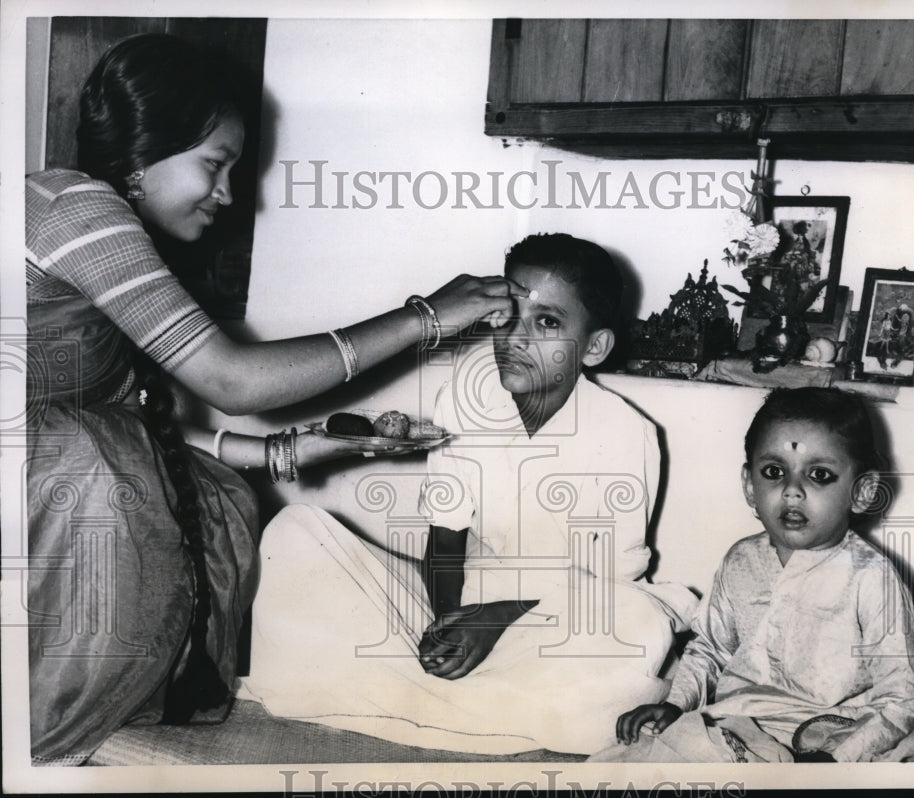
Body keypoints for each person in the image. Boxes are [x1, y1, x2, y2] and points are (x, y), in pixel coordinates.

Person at [26, 32, 523, 764]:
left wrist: (294, 450)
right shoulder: (76, 206)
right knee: (104, 482)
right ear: (144, 151)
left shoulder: (116, 234)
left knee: (220, 494)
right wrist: (426, 317)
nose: (229, 195)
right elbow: (231, 382)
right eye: (215, 165)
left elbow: (139, 430)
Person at [239, 233, 698, 754]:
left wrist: (498, 619)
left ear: (593, 347)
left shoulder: (623, 432)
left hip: (559, 619)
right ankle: (468, 708)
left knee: (639, 625)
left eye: (547, 322)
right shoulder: (466, 391)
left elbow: (609, 584)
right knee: (296, 534)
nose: (516, 339)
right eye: (509, 316)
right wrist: (443, 622)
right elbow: (446, 533)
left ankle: (403, 702)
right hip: (465, 602)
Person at [591, 387, 914, 763]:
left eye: (819, 475)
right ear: (749, 486)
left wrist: (834, 761)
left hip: (841, 727)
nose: (792, 491)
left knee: (901, 751)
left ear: (862, 491)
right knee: (649, 756)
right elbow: (710, 649)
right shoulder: (740, 560)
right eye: (773, 472)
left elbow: (901, 696)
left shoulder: (873, 579)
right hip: (744, 721)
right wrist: (675, 705)